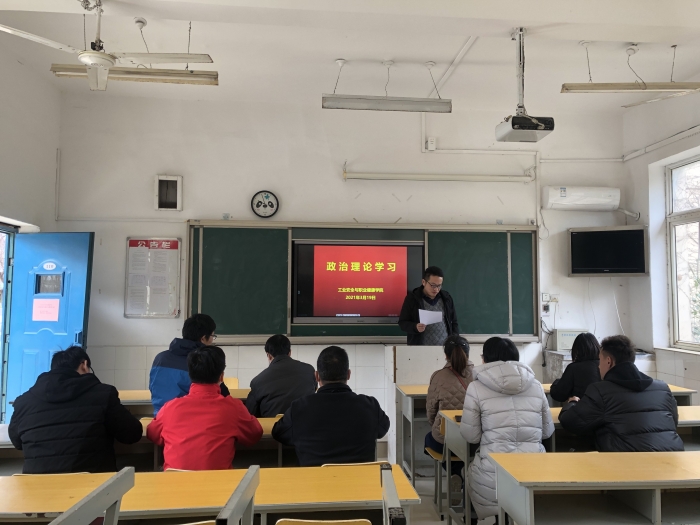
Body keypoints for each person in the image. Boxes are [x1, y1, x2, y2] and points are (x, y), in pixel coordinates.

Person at [460, 337, 553, 524]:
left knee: (467, 472)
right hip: (535, 470)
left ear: (485, 359)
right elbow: (547, 432)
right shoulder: (536, 386)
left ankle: (482, 518)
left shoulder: (476, 388)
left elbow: (471, 436)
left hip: (493, 475)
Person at [8, 346, 143, 474]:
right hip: (95, 486)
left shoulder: (23, 402)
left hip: (38, 486)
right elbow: (132, 434)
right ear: (84, 365)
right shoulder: (104, 394)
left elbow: (17, 443)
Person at [559, 335, 683, 452]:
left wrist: (572, 403)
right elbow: (673, 421)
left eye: (600, 361)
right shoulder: (662, 388)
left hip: (626, 461)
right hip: (672, 457)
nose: (598, 367)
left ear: (609, 361)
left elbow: (570, 422)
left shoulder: (601, 391)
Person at [147, 345, 263, 470]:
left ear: (190, 375)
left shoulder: (170, 407)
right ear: (221, 376)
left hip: (175, 481)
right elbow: (254, 435)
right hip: (218, 481)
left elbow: (152, 433)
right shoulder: (233, 407)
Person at [272, 346, 390, 466]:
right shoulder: (370, 406)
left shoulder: (299, 408)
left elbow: (278, 433)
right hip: (361, 478)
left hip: (314, 478)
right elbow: (383, 429)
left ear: (317, 376)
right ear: (348, 374)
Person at [425, 335, 474, 501]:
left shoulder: (438, 376)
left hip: (447, 442)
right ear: (468, 353)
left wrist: (436, 425)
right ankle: (464, 473)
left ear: (446, 355)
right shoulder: (480, 375)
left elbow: (431, 412)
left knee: (431, 438)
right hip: (476, 441)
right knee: (466, 447)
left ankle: (455, 472)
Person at [149, 313, 229, 415]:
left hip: (160, 417)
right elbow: (216, 395)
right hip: (188, 419)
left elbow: (153, 388)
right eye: (212, 336)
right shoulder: (201, 361)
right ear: (203, 339)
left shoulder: (160, 358)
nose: (212, 340)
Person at [246, 334, 317, 417]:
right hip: (305, 422)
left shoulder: (258, 381)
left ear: (269, 356)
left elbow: (250, 413)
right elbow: (313, 390)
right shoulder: (309, 370)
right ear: (290, 352)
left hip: (273, 425)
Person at [399, 266, 460, 346]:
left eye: (439, 285)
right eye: (433, 285)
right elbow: (402, 323)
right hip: (420, 348)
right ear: (424, 282)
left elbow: (454, 322)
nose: (436, 289)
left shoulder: (446, 298)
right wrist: (415, 327)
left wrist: (454, 342)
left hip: (445, 347)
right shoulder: (412, 298)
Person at [549, 332, 602, 403]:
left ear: (576, 350)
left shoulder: (573, 368)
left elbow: (558, 394)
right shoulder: (604, 366)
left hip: (582, 408)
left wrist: (556, 382)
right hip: (605, 409)